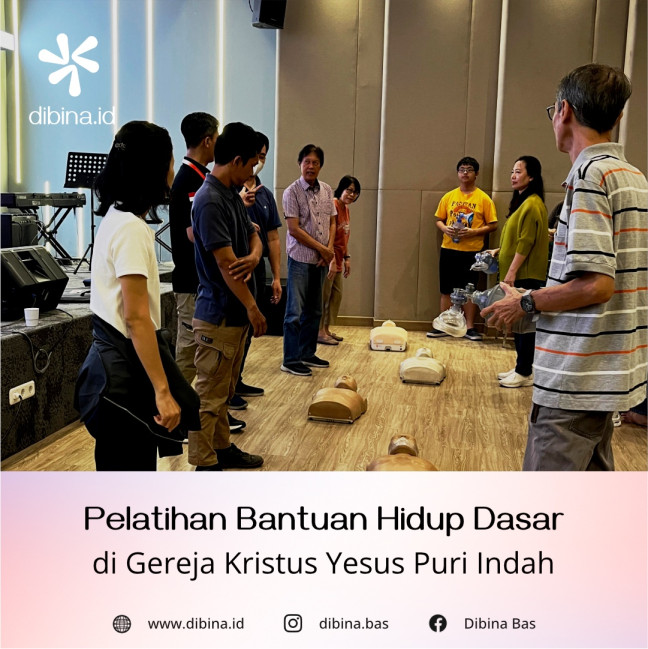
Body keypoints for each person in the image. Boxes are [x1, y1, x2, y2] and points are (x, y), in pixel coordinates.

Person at [483, 63, 648, 471]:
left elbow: (597, 285)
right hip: (608, 374)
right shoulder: (633, 177)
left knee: (546, 505)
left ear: (564, 111)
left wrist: (524, 303)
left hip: (575, 377)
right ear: (618, 116)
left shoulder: (589, 176)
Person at [75, 121, 200, 471]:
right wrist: (162, 391)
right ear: (154, 169)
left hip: (111, 365)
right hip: (125, 373)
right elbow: (136, 318)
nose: (173, 170)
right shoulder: (132, 228)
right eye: (170, 161)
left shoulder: (115, 217)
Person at [189, 122, 267, 470]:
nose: (252, 173)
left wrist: (254, 256)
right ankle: (204, 463)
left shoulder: (231, 194)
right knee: (209, 396)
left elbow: (254, 234)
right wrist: (253, 307)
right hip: (218, 314)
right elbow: (225, 264)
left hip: (232, 316)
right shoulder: (209, 200)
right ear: (236, 160)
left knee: (224, 391)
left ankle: (221, 448)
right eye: (250, 165)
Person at [168, 112, 245, 433]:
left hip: (200, 282)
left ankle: (208, 418)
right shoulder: (190, 178)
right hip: (191, 281)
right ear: (208, 140)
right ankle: (180, 420)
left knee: (205, 357)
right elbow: (193, 232)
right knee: (190, 354)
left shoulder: (200, 176)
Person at [487, 156, 548, 388]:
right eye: (512, 171)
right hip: (519, 272)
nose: (513, 176)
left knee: (525, 325)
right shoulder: (524, 202)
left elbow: (526, 242)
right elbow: (516, 239)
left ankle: (524, 371)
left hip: (526, 274)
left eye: (518, 171)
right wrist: (499, 250)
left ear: (531, 176)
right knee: (519, 323)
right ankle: (521, 366)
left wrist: (511, 272)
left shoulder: (532, 204)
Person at [232, 131, 282, 405]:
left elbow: (272, 238)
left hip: (257, 268)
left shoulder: (265, 195)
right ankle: (227, 388)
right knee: (232, 329)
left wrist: (277, 277)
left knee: (248, 329)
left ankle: (236, 380)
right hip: (235, 267)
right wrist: (239, 202)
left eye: (263, 157)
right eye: (255, 157)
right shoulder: (228, 191)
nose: (258, 162)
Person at [427, 157, 498, 341]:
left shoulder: (483, 198)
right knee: (446, 289)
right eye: (462, 169)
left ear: (476, 173)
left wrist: (473, 232)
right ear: (458, 173)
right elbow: (438, 220)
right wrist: (445, 229)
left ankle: (469, 327)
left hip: (472, 251)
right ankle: (443, 325)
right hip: (449, 248)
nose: (465, 173)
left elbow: (493, 225)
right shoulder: (449, 196)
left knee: (469, 290)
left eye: (469, 169)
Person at [281, 144, 337, 376]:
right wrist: (322, 250)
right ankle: (290, 359)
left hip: (321, 260)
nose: (310, 166)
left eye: (315, 162)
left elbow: (332, 221)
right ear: (299, 164)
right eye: (306, 162)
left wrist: (329, 250)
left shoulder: (327, 190)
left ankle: (307, 352)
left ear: (320, 166)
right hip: (300, 259)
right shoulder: (291, 192)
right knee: (294, 312)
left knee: (315, 310)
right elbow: (294, 229)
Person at [318, 175, 361, 345]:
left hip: (339, 259)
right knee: (324, 296)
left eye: (355, 192)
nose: (352, 195)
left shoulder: (346, 208)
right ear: (341, 189)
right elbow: (327, 235)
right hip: (329, 260)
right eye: (349, 190)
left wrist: (347, 258)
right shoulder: (334, 205)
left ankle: (326, 329)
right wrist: (331, 260)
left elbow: (343, 237)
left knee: (335, 296)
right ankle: (319, 332)